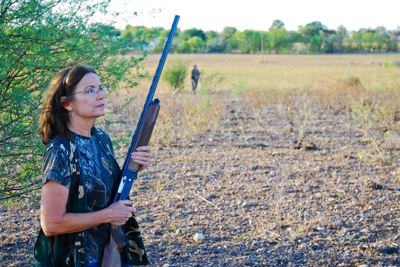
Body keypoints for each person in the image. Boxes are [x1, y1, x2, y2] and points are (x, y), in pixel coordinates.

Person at [34, 66, 152, 267]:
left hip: (114, 253)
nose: (101, 95)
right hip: (79, 260)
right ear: (68, 103)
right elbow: (51, 223)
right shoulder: (60, 150)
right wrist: (108, 215)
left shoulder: (101, 138)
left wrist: (134, 168)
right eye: (90, 90)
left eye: (101, 88)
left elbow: (106, 190)